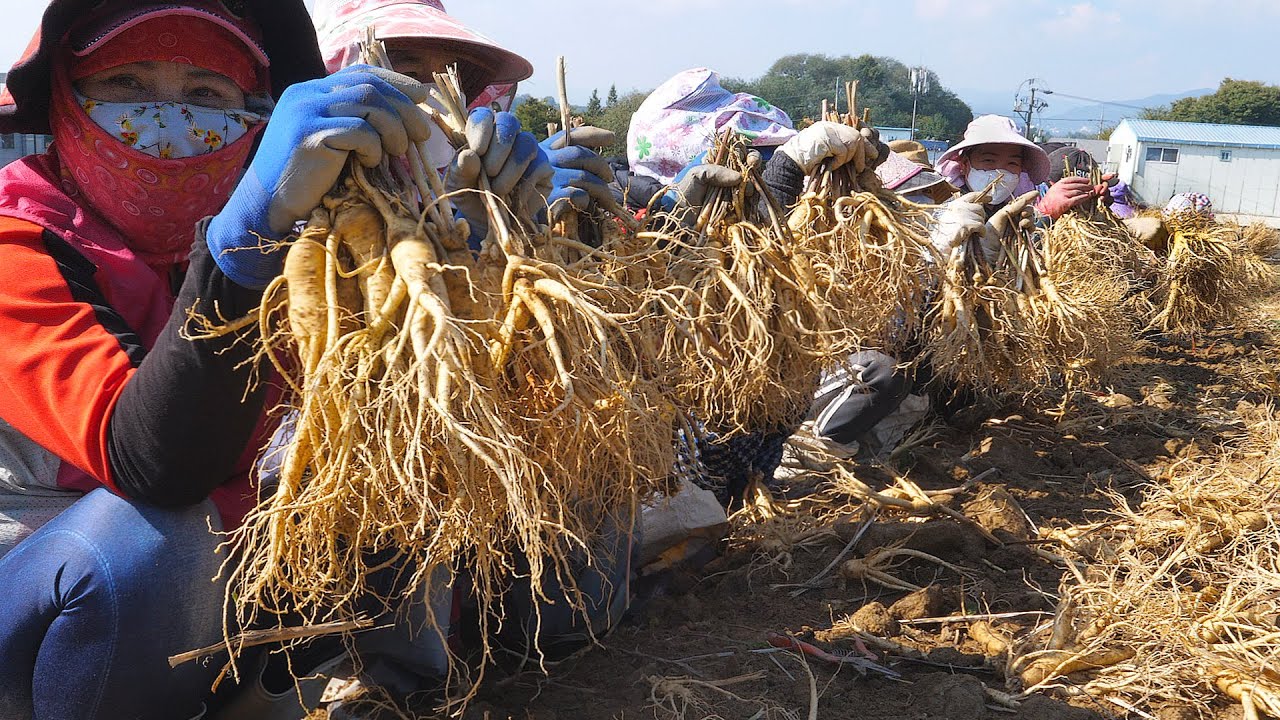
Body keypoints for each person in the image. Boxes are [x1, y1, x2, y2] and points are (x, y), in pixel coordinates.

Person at [0, 1, 549, 718]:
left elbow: (424, 392)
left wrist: (494, 235)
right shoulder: (22, 242)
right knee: (148, 544)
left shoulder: (306, 233)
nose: (167, 117)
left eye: (205, 94)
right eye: (127, 85)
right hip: (52, 592)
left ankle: (389, 694)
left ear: (253, 112)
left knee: (391, 442)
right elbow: (154, 464)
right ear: (66, 103)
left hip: (221, 591)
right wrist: (234, 254)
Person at [314, 0, 619, 241]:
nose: (433, 96)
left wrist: (508, 218)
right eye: (408, 75)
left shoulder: (455, 201)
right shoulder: (309, 202)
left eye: (449, 76)